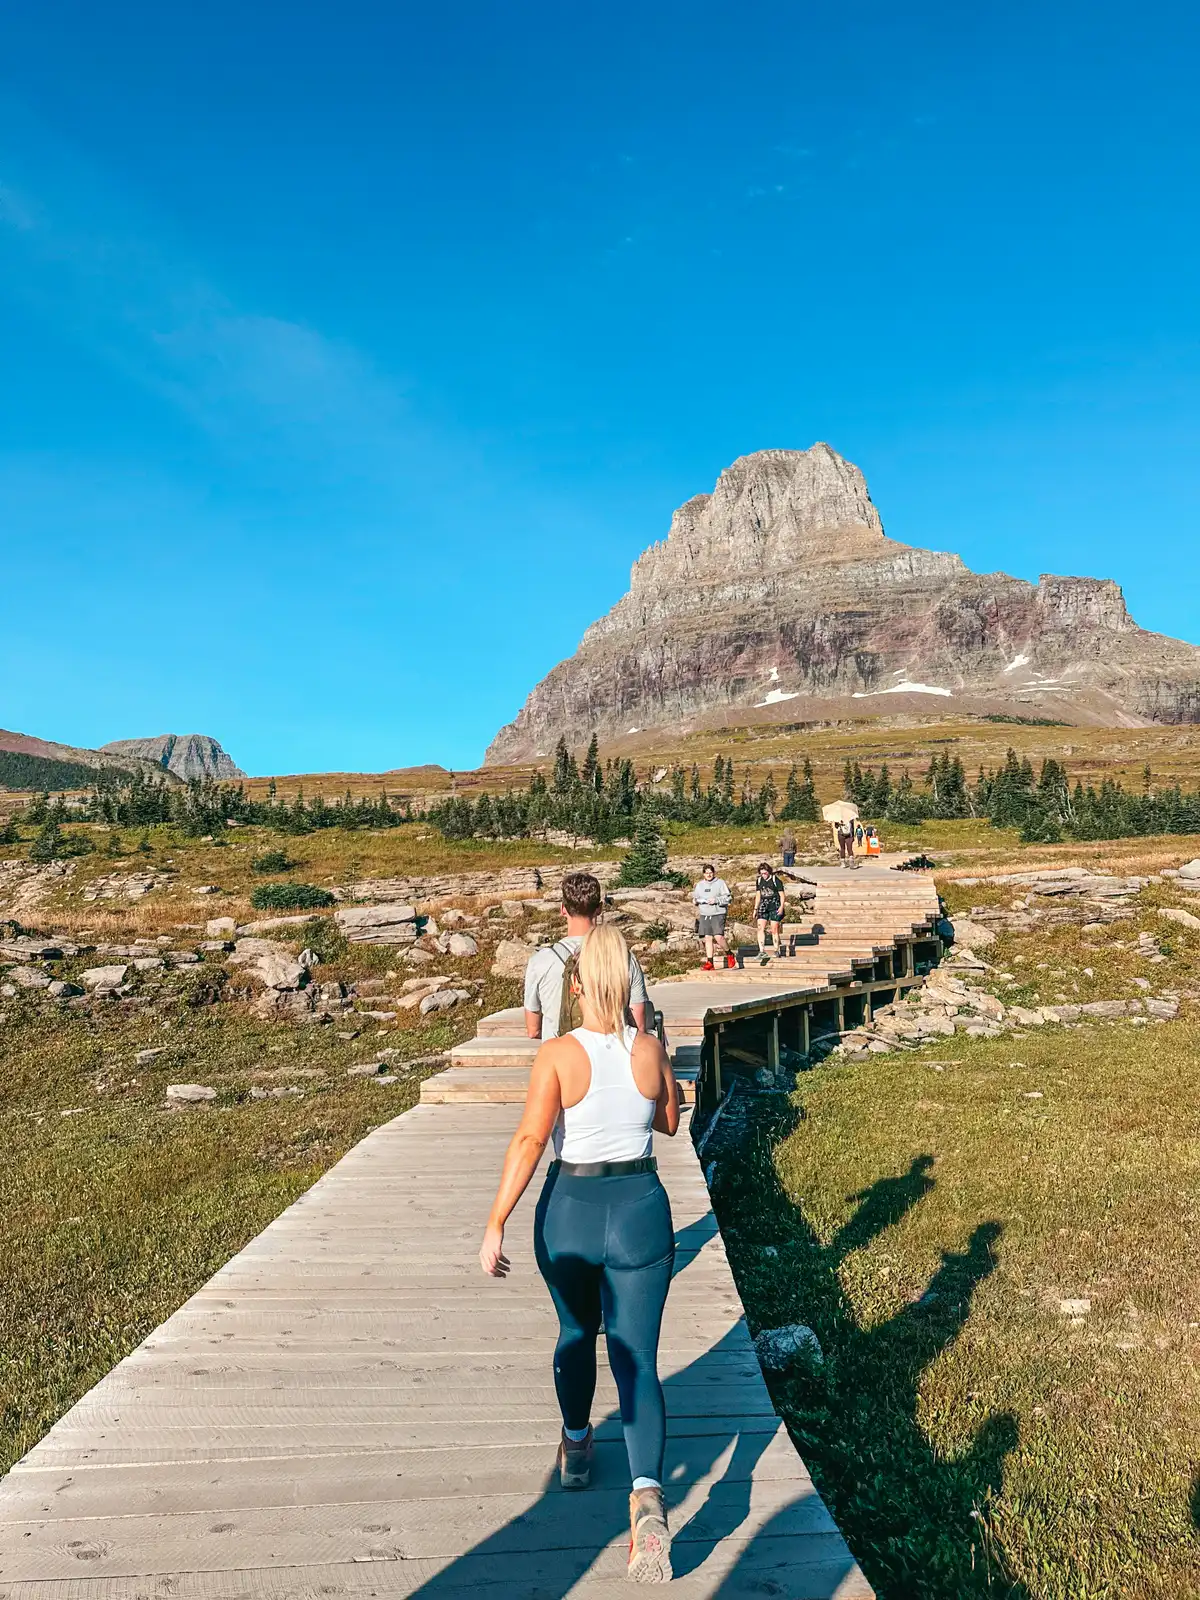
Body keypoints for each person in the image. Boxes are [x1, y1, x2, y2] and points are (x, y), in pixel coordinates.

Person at [480, 925, 680, 1584]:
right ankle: (647, 1497)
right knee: (639, 1359)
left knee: (575, 1331)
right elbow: (668, 1122)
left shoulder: (558, 1056)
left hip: (571, 1210)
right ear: (625, 983)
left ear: (575, 985)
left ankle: (575, 1447)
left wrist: (496, 1222)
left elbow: (531, 1140)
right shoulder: (648, 1049)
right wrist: (657, 1073)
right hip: (640, 1212)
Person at [524, 871, 649, 1038]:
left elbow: (533, 1031)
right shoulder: (623, 957)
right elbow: (638, 1025)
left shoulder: (540, 961)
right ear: (599, 909)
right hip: (609, 1060)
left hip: (560, 1060)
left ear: (563, 909)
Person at [693, 863, 735, 971]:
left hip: (718, 913)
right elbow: (695, 897)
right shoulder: (700, 885)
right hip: (705, 914)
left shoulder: (720, 883)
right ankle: (710, 962)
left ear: (714, 873)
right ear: (703, 874)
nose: (708, 875)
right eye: (706, 873)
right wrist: (696, 901)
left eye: (710, 872)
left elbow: (728, 898)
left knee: (718, 937)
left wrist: (716, 900)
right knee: (708, 938)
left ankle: (729, 954)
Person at [753, 861, 786, 964]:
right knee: (760, 928)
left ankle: (776, 949)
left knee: (774, 928)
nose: (763, 875)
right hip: (763, 905)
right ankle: (761, 950)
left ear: (769, 872)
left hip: (774, 905)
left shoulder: (776, 880)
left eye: (765, 873)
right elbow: (758, 895)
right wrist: (755, 909)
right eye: (762, 873)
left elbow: (782, 895)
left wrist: (781, 906)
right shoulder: (759, 881)